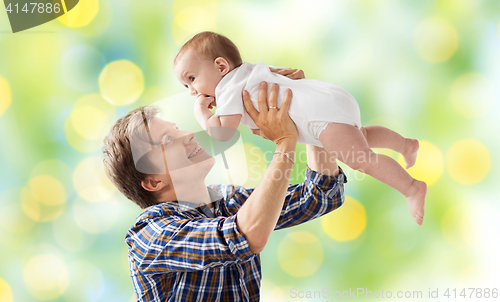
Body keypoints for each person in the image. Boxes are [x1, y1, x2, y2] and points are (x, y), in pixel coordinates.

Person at [102, 82, 347, 301]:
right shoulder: (150, 234)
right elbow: (245, 235)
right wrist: (284, 143)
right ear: (153, 182)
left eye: (177, 129)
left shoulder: (226, 200)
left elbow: (319, 197)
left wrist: (307, 112)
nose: (187, 134)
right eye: (167, 140)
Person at [173, 31, 427, 225]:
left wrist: (202, 116)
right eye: (186, 87)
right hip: (329, 99)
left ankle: (412, 187)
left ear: (220, 67)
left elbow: (222, 136)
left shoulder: (227, 89)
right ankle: (406, 144)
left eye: (192, 79)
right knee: (362, 136)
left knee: (362, 159)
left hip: (318, 117)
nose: (193, 92)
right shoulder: (248, 73)